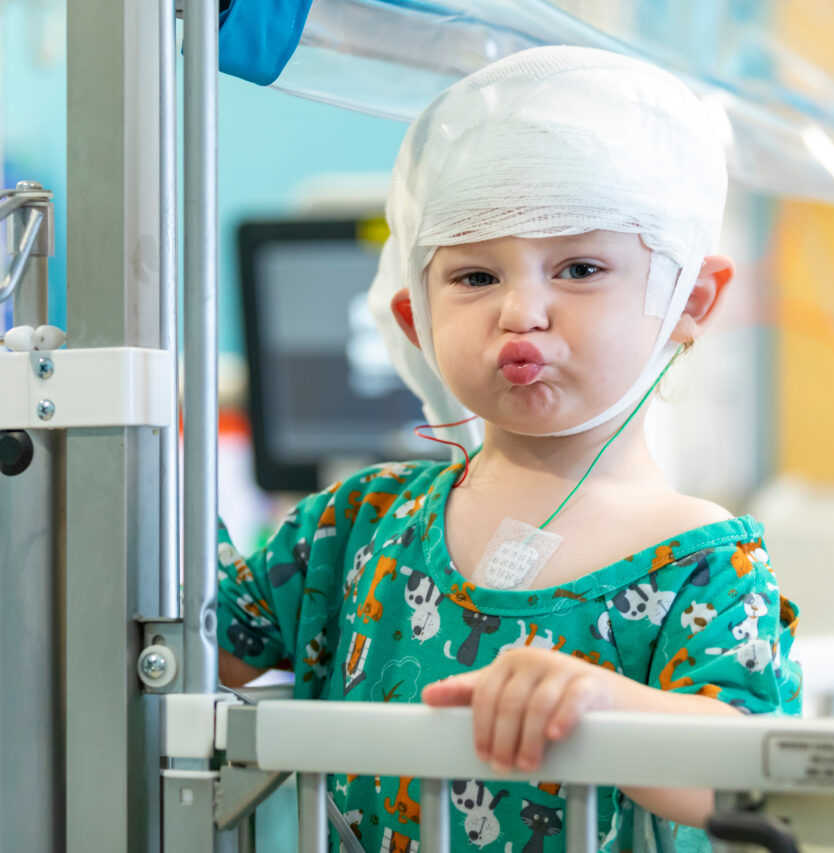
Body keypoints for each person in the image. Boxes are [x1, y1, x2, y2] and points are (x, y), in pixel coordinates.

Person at [217, 45, 801, 853]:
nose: (522, 310)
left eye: (581, 267)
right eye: (475, 278)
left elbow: (753, 784)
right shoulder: (353, 526)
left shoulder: (701, 564)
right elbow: (198, 645)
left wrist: (606, 711)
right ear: (416, 317)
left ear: (689, 298)